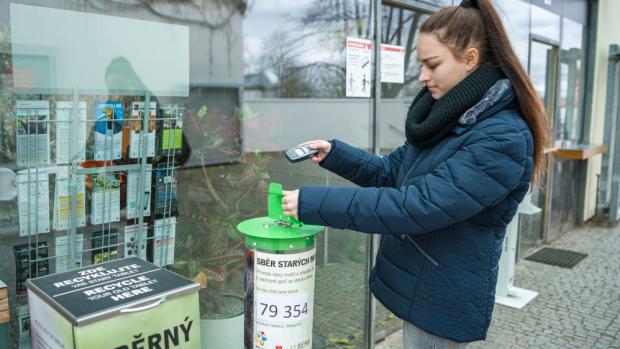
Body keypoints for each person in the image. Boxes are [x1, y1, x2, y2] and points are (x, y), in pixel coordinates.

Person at [281, 0, 550, 347]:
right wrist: (337, 154)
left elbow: (418, 206)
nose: (422, 76)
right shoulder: (451, 118)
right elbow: (392, 172)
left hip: (442, 298)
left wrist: (313, 202)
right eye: (421, 64)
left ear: (470, 59)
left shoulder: (501, 138)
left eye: (432, 64)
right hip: (422, 284)